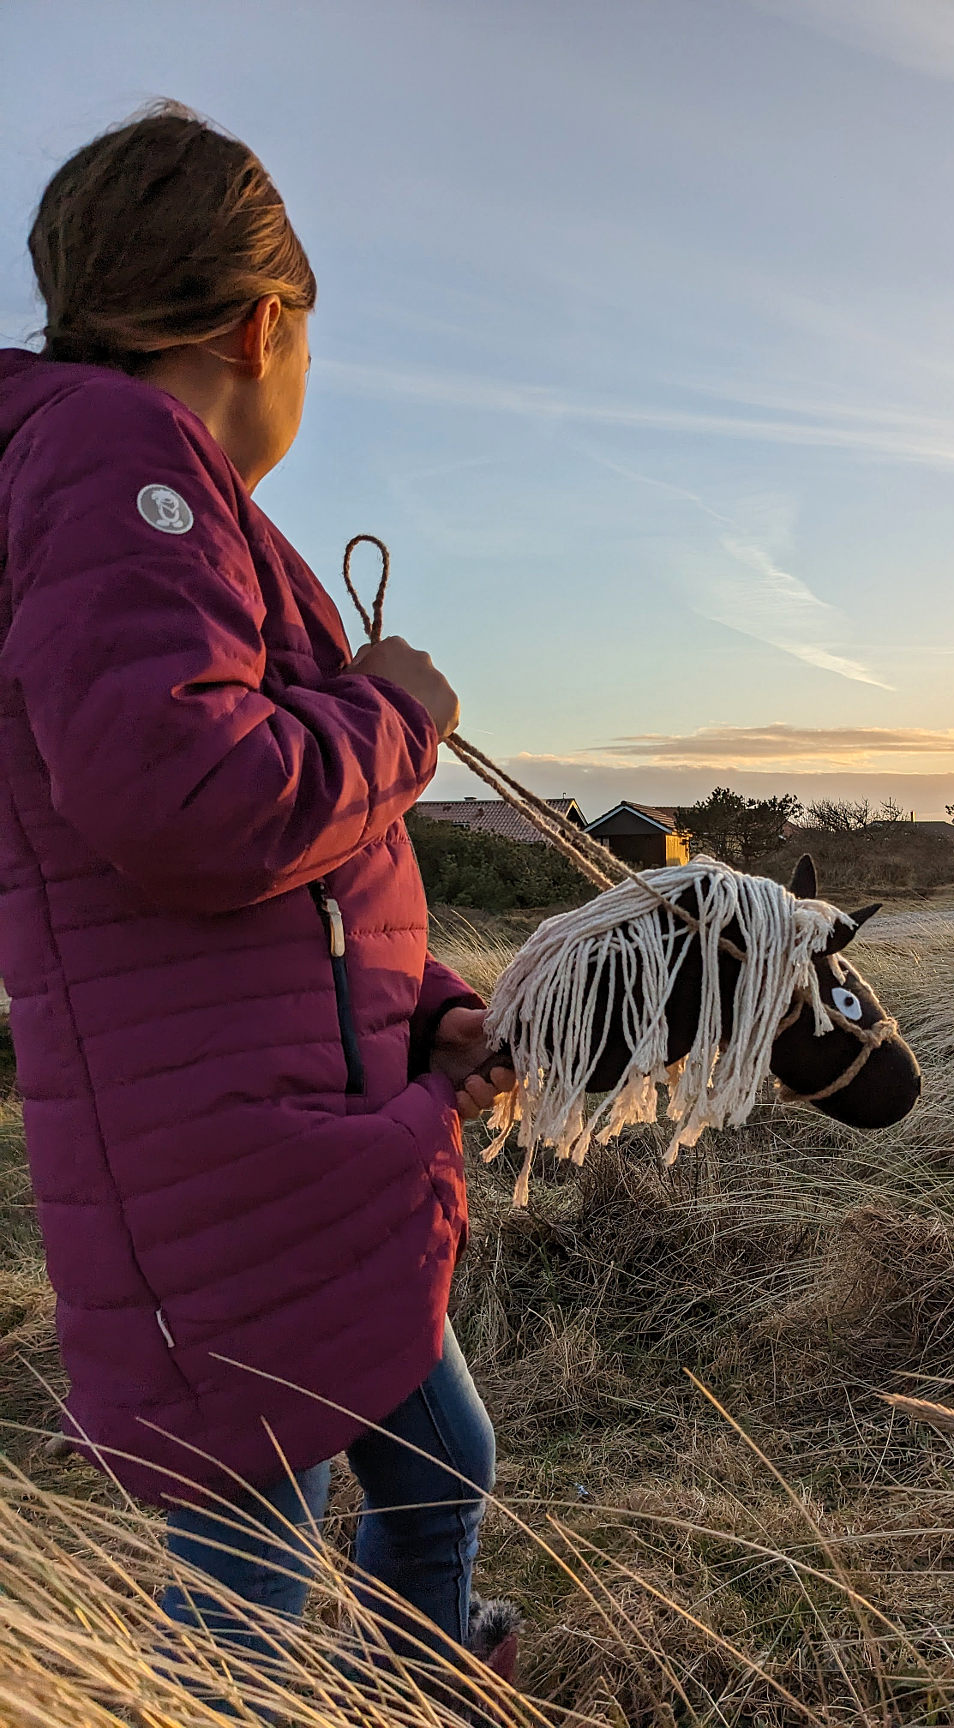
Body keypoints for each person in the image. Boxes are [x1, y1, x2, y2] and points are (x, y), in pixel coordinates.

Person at [0, 102, 517, 1689]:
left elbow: (286, 889)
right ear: (264, 323)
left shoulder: (156, 496)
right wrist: (398, 712)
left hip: (306, 1156)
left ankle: (421, 1676)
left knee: (440, 1461)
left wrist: (425, 1016)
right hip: (230, 1182)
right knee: (241, 1593)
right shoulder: (115, 461)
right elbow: (190, 801)